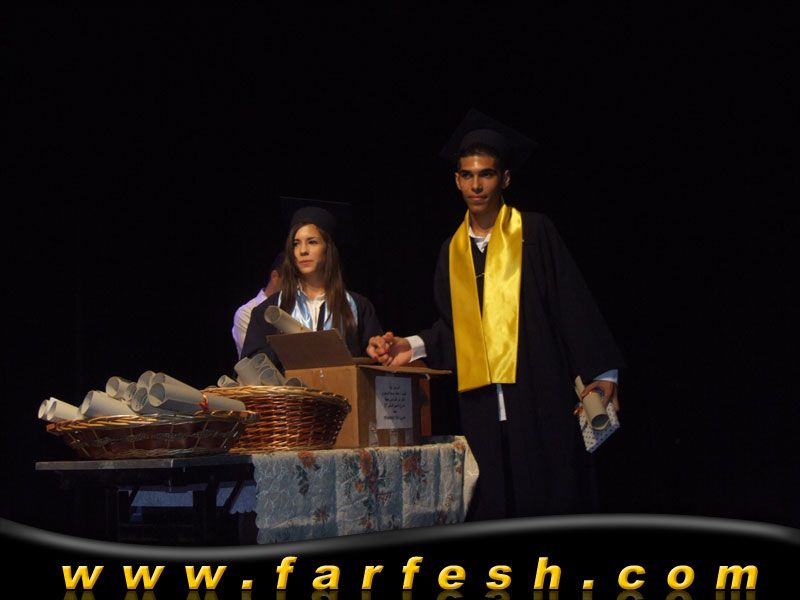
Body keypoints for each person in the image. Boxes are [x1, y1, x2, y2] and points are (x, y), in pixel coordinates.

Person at [367, 109, 626, 521]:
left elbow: (572, 302)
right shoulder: (452, 251)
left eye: (486, 174)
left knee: (551, 496)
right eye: (467, 175)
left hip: (539, 394)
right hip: (483, 405)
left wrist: (604, 371)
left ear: (504, 179)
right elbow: (455, 327)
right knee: (497, 503)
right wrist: (410, 346)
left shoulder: (533, 232)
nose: (476, 185)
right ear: (456, 180)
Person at [241, 205, 383, 364]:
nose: (303, 250)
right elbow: (250, 365)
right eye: (296, 243)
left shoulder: (357, 307)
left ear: (328, 249)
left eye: (312, 242)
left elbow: (375, 363)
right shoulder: (269, 311)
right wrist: (287, 347)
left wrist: (377, 350)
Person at [231, 252, 284, 358]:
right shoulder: (247, 312)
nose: (298, 286)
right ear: (275, 277)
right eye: (294, 279)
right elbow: (257, 359)